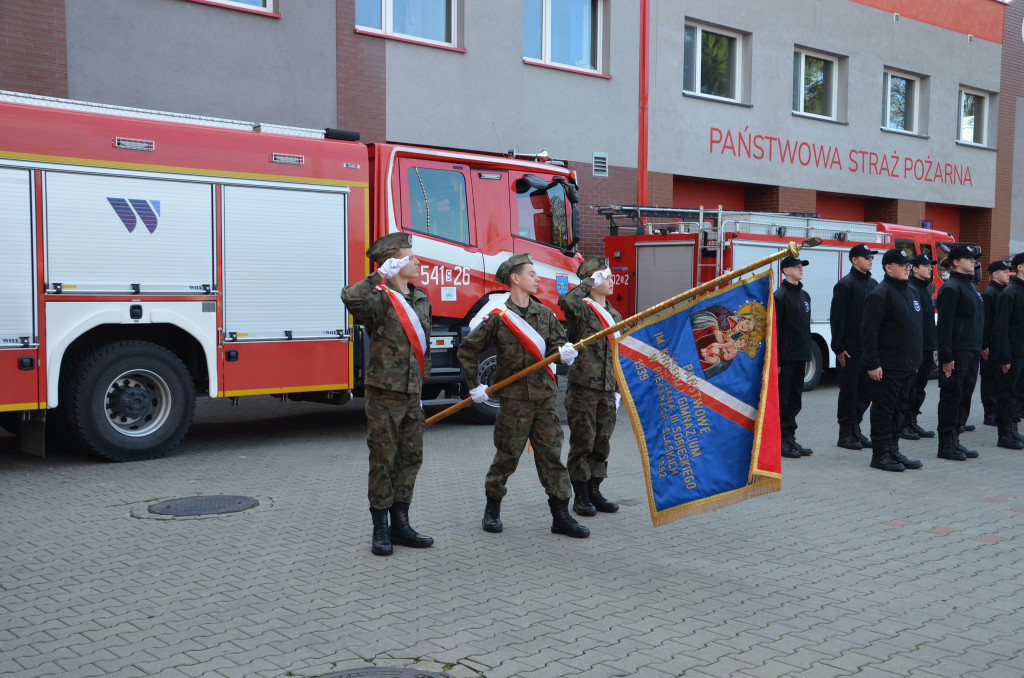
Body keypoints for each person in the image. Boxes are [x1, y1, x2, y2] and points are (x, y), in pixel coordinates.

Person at [458, 253, 589, 538]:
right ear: (515, 279)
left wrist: (563, 352)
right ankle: (492, 510)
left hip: (544, 399)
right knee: (506, 457)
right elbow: (468, 349)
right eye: (531, 273)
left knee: (551, 456)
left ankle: (561, 516)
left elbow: (556, 344)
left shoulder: (544, 314)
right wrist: (474, 385)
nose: (537, 278)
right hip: (514, 401)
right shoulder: (498, 319)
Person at [341, 232, 435, 556]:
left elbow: (425, 345)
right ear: (394, 261)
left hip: (412, 394)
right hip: (385, 393)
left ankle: (401, 524)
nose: (418, 260)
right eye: (411, 256)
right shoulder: (380, 298)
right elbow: (350, 298)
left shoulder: (421, 298)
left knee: (411, 458)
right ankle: (380, 530)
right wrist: (379, 274)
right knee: (383, 460)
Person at [558, 255, 623, 516]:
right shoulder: (581, 309)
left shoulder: (614, 314)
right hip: (584, 387)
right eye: (604, 276)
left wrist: (618, 388)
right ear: (592, 280)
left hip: (607, 389)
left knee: (602, 442)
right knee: (583, 442)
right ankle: (581, 495)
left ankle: (595, 490)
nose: (611, 280)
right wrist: (586, 282)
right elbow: (566, 300)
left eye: (609, 276)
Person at [860, 248, 923, 472]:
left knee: (899, 410)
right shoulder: (880, 294)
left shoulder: (911, 292)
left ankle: (893, 449)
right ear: (888, 267)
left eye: (909, 265)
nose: (908, 268)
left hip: (907, 365)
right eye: (903, 265)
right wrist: (872, 364)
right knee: (884, 410)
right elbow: (869, 333)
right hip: (887, 366)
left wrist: (916, 360)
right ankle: (881, 455)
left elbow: (915, 330)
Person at [935, 245, 984, 460]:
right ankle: (946, 445)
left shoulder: (971, 287)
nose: (973, 261)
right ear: (955, 262)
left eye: (974, 258)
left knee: (964, 397)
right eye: (968, 258)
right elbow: (944, 326)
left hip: (971, 350)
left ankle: (955, 439)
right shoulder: (951, 288)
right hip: (957, 352)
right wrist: (946, 357)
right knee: (951, 397)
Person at [831, 243, 879, 450]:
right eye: (866, 257)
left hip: (868, 349)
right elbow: (837, 318)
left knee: (866, 391)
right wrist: (838, 347)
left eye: (871, 257)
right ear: (854, 260)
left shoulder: (874, 284)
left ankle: (856, 428)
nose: (870, 260)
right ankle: (845, 433)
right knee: (849, 391)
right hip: (850, 349)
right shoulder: (845, 285)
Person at [773, 255, 814, 459]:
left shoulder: (804, 296)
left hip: (800, 356)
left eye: (801, 266)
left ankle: (790, 436)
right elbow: (776, 331)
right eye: (796, 266)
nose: (800, 269)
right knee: (784, 399)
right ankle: (781, 439)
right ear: (785, 271)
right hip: (786, 359)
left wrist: (807, 355)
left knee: (795, 399)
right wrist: (777, 361)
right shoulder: (779, 296)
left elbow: (805, 328)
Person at [900, 254, 938, 440]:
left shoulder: (925, 290)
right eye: (926, 266)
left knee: (919, 388)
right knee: (910, 387)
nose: (930, 268)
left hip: (927, 347)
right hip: (916, 349)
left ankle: (912, 421)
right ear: (915, 268)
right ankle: (904, 424)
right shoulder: (911, 288)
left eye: (930, 266)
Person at [991, 252, 1024, 450]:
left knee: (1019, 393)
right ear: (1019, 267)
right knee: (1007, 393)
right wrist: (1004, 356)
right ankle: (1004, 435)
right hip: (1012, 353)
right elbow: (1001, 327)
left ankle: (1013, 430)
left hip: (1022, 351)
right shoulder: (1009, 293)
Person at [980, 259, 1011, 427]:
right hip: (990, 345)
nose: (1008, 275)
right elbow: (985, 322)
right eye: (1005, 272)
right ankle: (989, 413)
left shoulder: (1004, 292)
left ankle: (997, 411)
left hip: (999, 344)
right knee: (989, 379)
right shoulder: (989, 293)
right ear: (995, 274)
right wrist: (984, 344)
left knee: (999, 379)